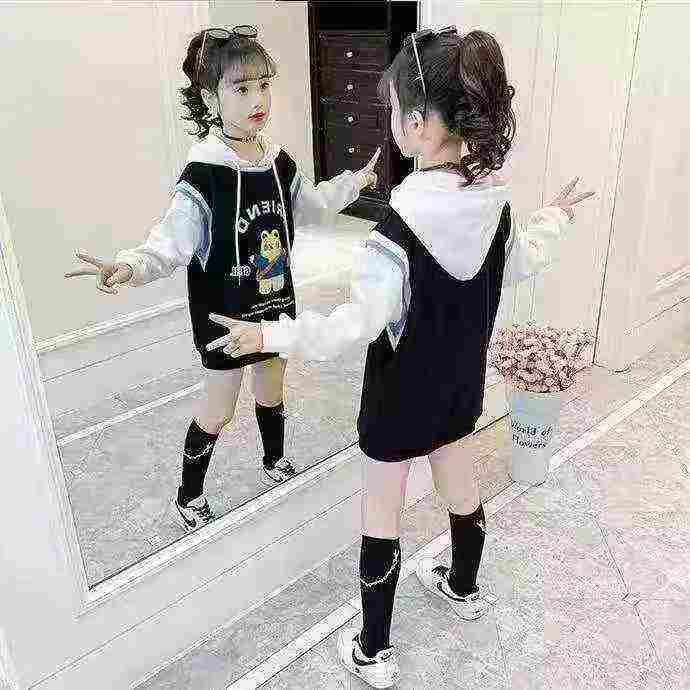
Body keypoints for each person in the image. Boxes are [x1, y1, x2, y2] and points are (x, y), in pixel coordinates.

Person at [206, 27, 594, 688]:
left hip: (397, 401)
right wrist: (555, 214)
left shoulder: (397, 228)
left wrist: (269, 336)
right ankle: (463, 587)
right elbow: (526, 259)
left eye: (392, 110)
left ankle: (373, 649)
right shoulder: (496, 210)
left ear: (416, 124)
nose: (391, 121)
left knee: (382, 513)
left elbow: (352, 325)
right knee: (461, 487)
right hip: (459, 391)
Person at [65, 25, 380, 533]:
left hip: (273, 305)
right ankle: (188, 494)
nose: (258, 99)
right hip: (223, 316)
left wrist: (353, 184)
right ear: (212, 98)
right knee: (219, 408)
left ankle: (274, 460)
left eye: (264, 85)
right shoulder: (204, 173)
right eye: (242, 87)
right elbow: (169, 242)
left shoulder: (277, 161)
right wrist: (130, 265)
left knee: (272, 388)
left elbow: (312, 206)